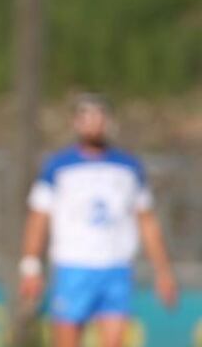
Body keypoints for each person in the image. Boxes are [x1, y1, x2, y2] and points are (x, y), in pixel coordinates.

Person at [19, 94, 178, 347]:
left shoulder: (128, 167)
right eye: (85, 117)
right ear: (75, 123)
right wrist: (30, 266)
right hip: (74, 266)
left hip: (116, 267)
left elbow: (147, 221)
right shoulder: (58, 166)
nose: (93, 123)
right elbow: (38, 217)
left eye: (99, 116)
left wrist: (163, 271)